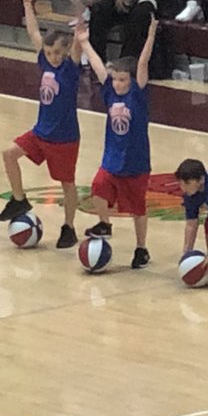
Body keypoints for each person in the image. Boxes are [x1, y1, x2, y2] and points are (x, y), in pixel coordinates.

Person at [0, 1, 84, 250]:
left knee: (67, 184)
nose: (53, 57)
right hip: (40, 132)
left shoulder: (71, 68)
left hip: (64, 138)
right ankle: (19, 200)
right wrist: (27, 5)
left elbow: (79, 40)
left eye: (57, 53)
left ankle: (69, 227)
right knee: (9, 154)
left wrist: (79, 14)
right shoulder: (44, 62)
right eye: (49, 53)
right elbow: (34, 33)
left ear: (65, 51)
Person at [77, 16, 158, 269]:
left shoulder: (138, 94)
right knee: (98, 185)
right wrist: (84, 42)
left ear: (132, 80)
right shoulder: (110, 92)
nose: (118, 83)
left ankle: (141, 248)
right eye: (116, 80)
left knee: (138, 209)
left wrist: (151, 34)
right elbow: (98, 65)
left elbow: (143, 61)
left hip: (135, 162)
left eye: (123, 80)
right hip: (112, 158)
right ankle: (104, 223)